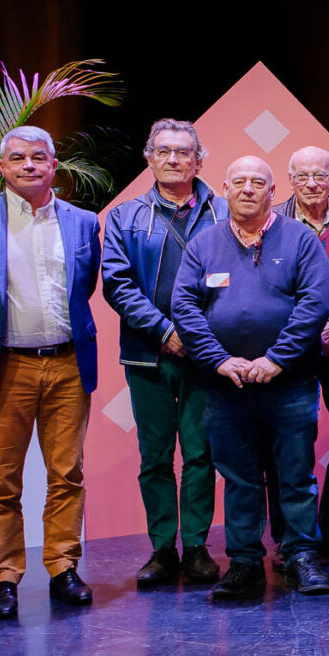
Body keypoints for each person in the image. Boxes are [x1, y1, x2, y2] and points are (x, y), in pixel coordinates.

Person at [0, 125, 101, 619]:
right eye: (18, 158)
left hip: (68, 365)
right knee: (1, 480)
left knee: (67, 473)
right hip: (3, 367)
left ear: (54, 165)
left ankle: (62, 568)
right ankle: (5, 577)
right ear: (2, 167)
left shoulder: (82, 221)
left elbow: (86, 284)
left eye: (38, 157)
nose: (29, 165)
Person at [173, 156, 329, 600]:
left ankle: (300, 555)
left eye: (258, 182)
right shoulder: (203, 243)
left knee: (296, 475)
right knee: (239, 477)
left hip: (289, 382)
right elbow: (184, 307)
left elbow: (314, 304)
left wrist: (277, 359)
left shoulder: (301, 239)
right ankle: (244, 561)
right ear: (224, 187)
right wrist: (220, 360)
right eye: (239, 181)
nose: (248, 188)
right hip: (226, 385)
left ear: (271, 190)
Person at [101, 119, 226, 589]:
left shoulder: (224, 212)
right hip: (147, 354)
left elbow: (236, 282)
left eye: (184, 152)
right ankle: (161, 548)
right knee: (154, 456)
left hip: (208, 357)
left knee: (200, 454)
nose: (174, 159)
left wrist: (200, 339)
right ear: (149, 157)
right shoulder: (124, 216)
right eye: (164, 151)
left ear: (199, 159)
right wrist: (164, 331)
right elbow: (117, 283)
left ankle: (195, 546)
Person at [272, 146, 329, 564]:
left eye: (320, 176)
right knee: (290, 444)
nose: (311, 184)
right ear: (290, 180)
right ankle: (291, 537)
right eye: (302, 176)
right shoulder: (270, 222)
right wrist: (310, 331)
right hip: (289, 351)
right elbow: (266, 291)